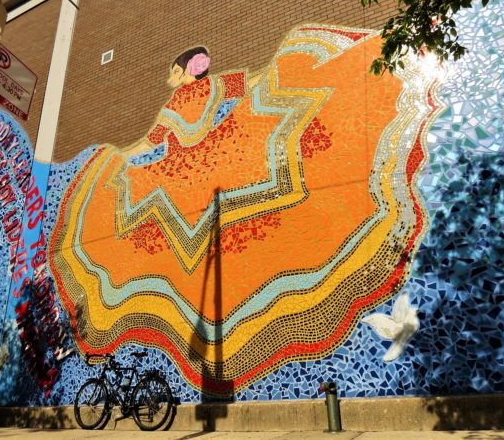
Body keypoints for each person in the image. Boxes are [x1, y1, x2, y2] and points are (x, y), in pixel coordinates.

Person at [49, 25, 438, 396]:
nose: (171, 77)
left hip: (222, 159)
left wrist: (122, 161)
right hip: (199, 173)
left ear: (186, 71)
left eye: (173, 70)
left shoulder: (200, 93)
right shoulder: (199, 94)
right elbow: (177, 129)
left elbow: (161, 138)